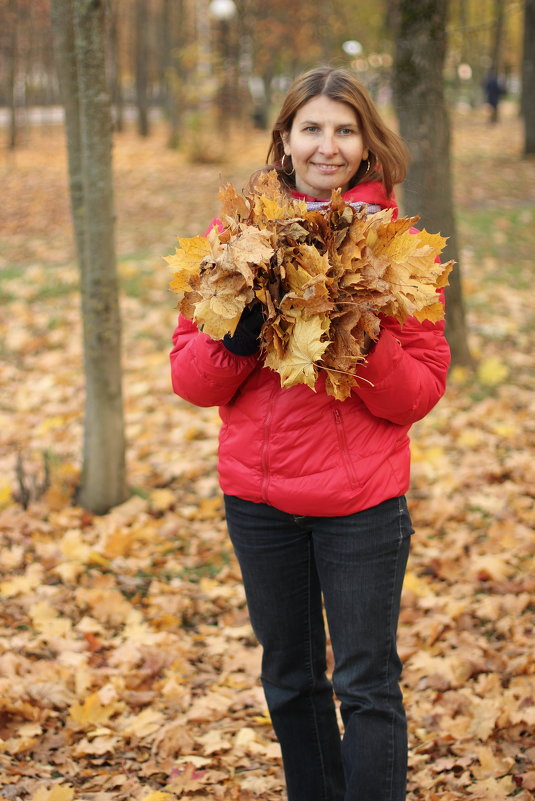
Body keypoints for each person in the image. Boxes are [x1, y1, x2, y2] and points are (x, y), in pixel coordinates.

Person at [170, 66, 451, 801]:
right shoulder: (233, 238)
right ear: (286, 140)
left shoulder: (401, 248)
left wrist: (359, 335)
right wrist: (239, 335)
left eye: (344, 129)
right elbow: (192, 380)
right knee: (290, 679)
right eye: (312, 128)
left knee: (365, 685)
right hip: (261, 502)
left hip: (361, 504)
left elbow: (417, 392)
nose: (328, 146)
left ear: (364, 144)